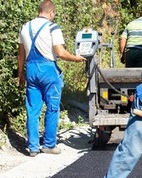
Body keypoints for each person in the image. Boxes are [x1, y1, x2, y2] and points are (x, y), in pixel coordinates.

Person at [17, 0, 86, 157]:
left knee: (32, 110)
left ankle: (33, 147)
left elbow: (20, 55)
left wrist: (20, 75)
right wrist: (76, 58)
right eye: (54, 14)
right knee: (52, 108)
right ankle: (49, 144)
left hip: (31, 70)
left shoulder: (24, 27)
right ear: (51, 12)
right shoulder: (52, 27)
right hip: (48, 71)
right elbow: (60, 53)